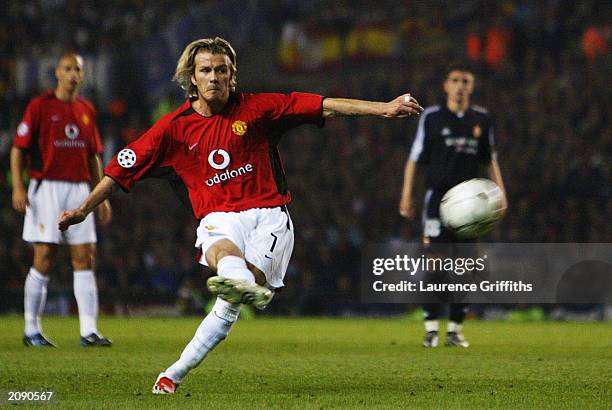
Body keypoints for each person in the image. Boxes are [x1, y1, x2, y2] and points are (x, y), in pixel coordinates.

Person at [58, 37, 423, 394]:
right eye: (206, 70)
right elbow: (120, 169)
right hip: (220, 216)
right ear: (192, 77)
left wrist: (384, 108)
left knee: (231, 304)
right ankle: (191, 348)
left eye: (221, 70)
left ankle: (188, 353)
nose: (214, 77)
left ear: (232, 76)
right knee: (225, 254)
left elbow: (325, 105)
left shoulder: (260, 108)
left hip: (270, 217)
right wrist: (83, 208)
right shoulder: (172, 128)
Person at [398, 62, 506, 348]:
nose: (460, 86)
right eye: (455, 80)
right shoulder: (431, 117)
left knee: (466, 268)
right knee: (435, 264)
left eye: (466, 81)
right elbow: (415, 157)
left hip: (473, 207)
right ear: (446, 85)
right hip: (438, 200)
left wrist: (501, 193)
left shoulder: (482, 119)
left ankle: (455, 330)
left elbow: (490, 159)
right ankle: (431, 329)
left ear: (471, 86)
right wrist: (406, 194)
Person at [11, 52, 113, 347]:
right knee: (44, 257)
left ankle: (88, 331)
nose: (72, 74)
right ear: (56, 72)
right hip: (47, 189)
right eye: (67, 68)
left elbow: (93, 155)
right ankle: (31, 329)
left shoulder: (86, 109)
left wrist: (100, 196)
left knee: (85, 257)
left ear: (83, 75)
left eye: (77, 70)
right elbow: (19, 149)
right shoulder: (40, 106)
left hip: (80, 190)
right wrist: (18, 186)